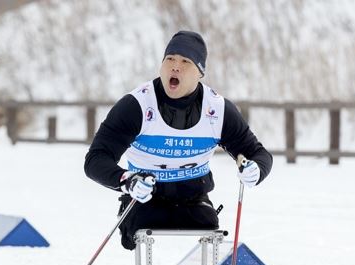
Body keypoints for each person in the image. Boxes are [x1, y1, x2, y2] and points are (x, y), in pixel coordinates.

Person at [84, 31, 272, 250]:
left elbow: (258, 153)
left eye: (185, 61)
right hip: (145, 197)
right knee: (138, 224)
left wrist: (256, 170)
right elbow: (95, 160)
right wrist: (127, 180)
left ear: (200, 72)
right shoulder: (137, 105)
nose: (175, 66)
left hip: (193, 198)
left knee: (207, 224)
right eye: (170, 59)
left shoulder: (218, 110)